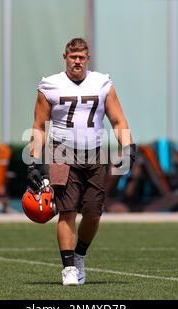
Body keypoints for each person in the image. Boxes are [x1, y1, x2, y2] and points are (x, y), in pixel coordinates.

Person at [27, 38, 136, 286]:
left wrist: (128, 146)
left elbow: (117, 120)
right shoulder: (50, 85)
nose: (77, 61)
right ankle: (68, 268)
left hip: (95, 152)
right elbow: (39, 126)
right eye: (73, 56)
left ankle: (79, 256)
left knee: (93, 212)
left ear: (88, 58)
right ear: (65, 56)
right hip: (61, 152)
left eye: (81, 57)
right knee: (66, 210)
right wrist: (33, 161)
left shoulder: (102, 83)